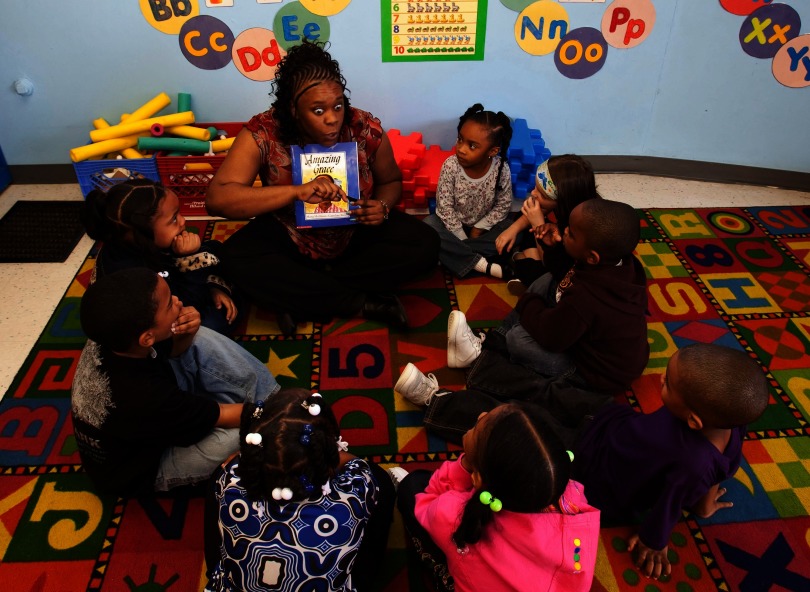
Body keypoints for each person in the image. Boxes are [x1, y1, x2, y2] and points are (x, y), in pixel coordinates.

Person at [206, 40, 440, 336]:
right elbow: (217, 199)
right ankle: (363, 302)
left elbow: (391, 182)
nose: (332, 118)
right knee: (234, 257)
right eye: (317, 111)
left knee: (426, 245)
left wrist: (381, 206)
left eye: (338, 106)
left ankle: (300, 294)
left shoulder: (364, 127)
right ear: (293, 109)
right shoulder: (263, 132)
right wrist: (296, 191)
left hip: (355, 233)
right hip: (290, 234)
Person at [70, 268, 280, 496]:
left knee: (197, 335)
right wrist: (274, 414)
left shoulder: (118, 335)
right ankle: (282, 413)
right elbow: (223, 414)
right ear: (146, 337)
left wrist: (187, 332)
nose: (179, 302)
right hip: (145, 467)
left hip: (151, 420)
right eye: (170, 303)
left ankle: (272, 397)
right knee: (243, 435)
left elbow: (175, 351)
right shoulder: (143, 396)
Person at [573, 343, 769, 580]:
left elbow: (669, 505)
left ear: (694, 421)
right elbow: (725, 466)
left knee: (538, 414)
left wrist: (653, 541)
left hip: (596, 459)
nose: (661, 377)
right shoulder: (728, 425)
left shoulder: (694, 465)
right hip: (615, 426)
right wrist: (704, 507)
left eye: (668, 384)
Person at [443, 198, 649, 395]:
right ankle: (491, 343)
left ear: (592, 257)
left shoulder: (587, 299)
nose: (564, 230)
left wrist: (528, 302)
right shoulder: (619, 263)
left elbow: (552, 338)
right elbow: (563, 272)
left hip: (595, 374)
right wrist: (554, 246)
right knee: (548, 279)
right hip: (591, 338)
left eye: (572, 234)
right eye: (567, 226)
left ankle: (481, 355)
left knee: (518, 340)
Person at [396, 402, 600, 592]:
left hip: (470, 560)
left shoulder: (452, 515)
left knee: (411, 486)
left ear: (477, 479)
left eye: (478, 426)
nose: (481, 414)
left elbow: (428, 501)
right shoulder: (572, 495)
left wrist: (463, 466)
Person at [207, 388, 396, 592]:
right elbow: (357, 465)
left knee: (216, 480)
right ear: (324, 448)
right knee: (382, 482)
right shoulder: (351, 498)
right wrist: (331, 456)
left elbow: (238, 464)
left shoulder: (228, 479)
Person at [83, 179, 239, 335]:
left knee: (216, 249)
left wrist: (214, 287)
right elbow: (185, 306)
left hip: (174, 289)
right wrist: (190, 260)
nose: (183, 221)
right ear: (143, 233)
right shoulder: (137, 278)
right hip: (159, 325)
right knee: (214, 324)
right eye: (173, 219)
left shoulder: (137, 241)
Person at [422, 104, 514, 279]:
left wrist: (479, 228)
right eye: (460, 139)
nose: (461, 149)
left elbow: (503, 205)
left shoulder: (501, 169)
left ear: (492, 151)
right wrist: (461, 237)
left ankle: (455, 255)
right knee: (428, 225)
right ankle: (482, 264)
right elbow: (445, 207)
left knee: (511, 228)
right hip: (452, 228)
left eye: (472, 146)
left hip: (484, 229)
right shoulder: (451, 165)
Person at [495, 154, 602, 291]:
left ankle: (518, 259)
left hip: (562, 265)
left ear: (562, 201)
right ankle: (524, 259)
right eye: (535, 187)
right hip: (551, 247)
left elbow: (553, 264)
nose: (533, 193)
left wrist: (537, 224)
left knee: (531, 271)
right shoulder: (570, 202)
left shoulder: (580, 227)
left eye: (542, 194)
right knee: (526, 214)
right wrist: (513, 229)